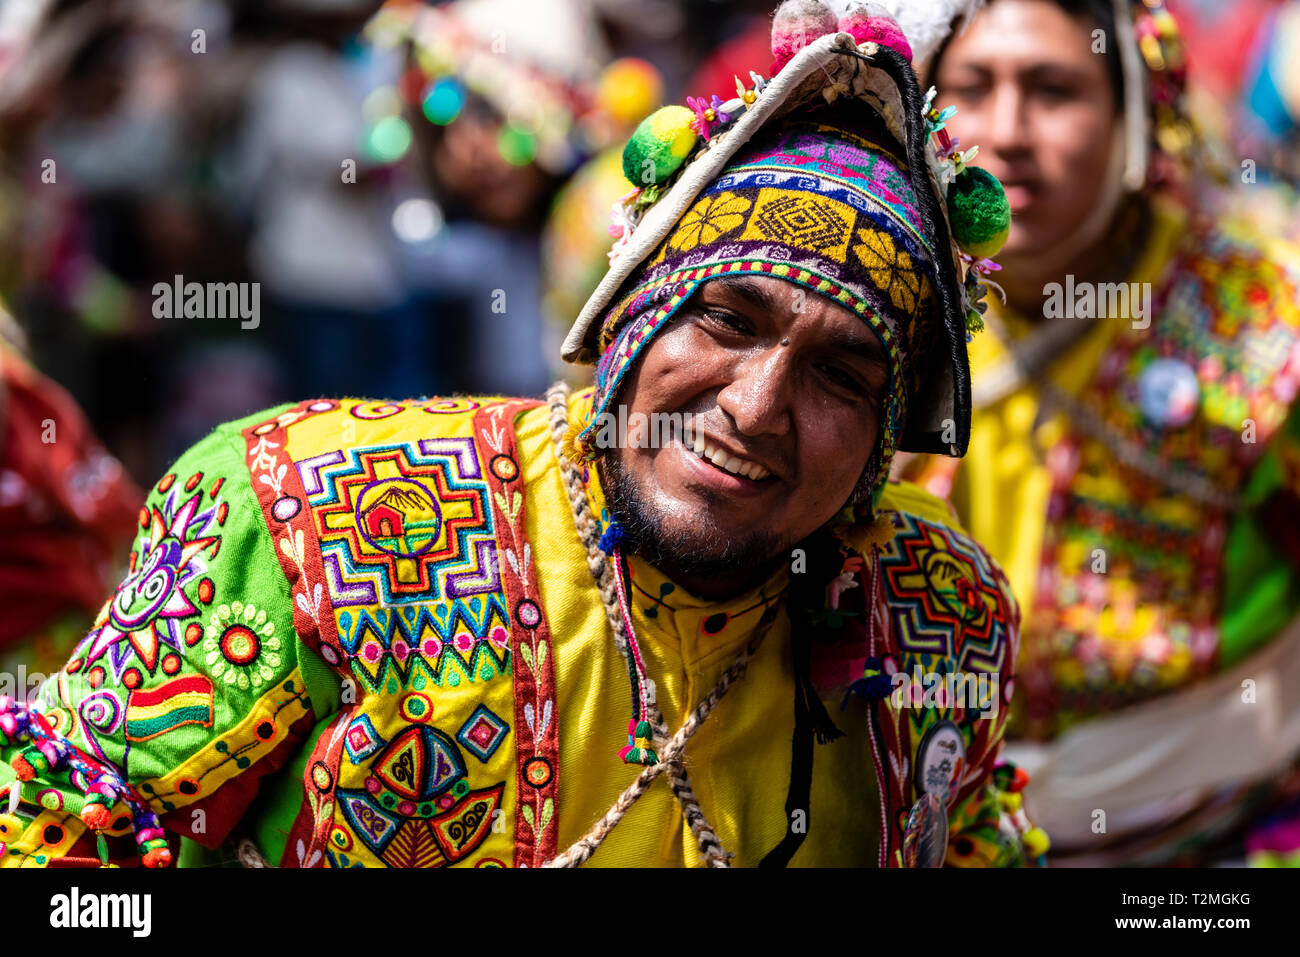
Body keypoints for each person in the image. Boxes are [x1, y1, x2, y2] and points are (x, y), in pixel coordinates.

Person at [0, 1, 1043, 869]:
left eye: (842, 377)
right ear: (632, 314)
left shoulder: (934, 611)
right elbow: (61, 843)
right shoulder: (314, 515)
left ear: (881, 446)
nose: (757, 406)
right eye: (727, 319)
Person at [907, 0, 1300, 864]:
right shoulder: (879, 305)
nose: (1006, 133)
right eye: (970, 87)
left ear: (1133, 117)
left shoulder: (1265, 319)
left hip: (1218, 845)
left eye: (1054, 90)